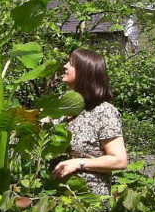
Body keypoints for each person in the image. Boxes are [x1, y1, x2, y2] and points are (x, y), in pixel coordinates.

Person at [53, 48, 128, 195]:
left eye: (71, 63)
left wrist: (79, 163)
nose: (65, 66)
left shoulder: (103, 112)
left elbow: (119, 160)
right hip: (56, 198)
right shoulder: (62, 109)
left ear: (85, 72)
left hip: (89, 201)